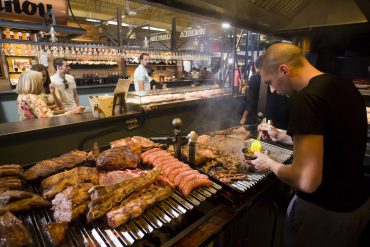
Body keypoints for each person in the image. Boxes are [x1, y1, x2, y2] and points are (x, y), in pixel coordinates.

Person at [249, 43, 370, 247]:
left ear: (284, 70)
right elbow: (330, 139)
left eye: (270, 82)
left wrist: (268, 163)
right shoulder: (343, 85)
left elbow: (306, 181)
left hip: (324, 213)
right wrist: (282, 135)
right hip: (356, 205)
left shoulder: (306, 99)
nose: (273, 90)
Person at [240, 56, 290, 129]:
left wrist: (244, 118)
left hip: (262, 118)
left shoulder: (255, 78)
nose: (273, 90)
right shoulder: (279, 78)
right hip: (282, 122)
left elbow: (250, 101)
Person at [15, 71, 84, 121]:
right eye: (41, 80)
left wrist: (48, 107)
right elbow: (48, 119)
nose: (42, 83)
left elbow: (34, 112)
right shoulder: (31, 97)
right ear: (34, 82)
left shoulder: (21, 96)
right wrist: (73, 112)